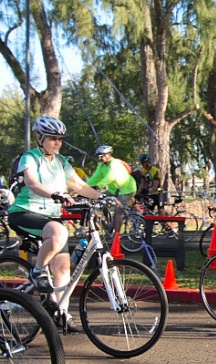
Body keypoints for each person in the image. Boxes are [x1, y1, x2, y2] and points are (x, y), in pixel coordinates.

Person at [8, 116, 104, 332]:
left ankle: (61, 313)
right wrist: (56, 194)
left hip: (49, 218)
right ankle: (38, 271)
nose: (57, 143)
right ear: (39, 137)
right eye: (52, 138)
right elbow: (32, 183)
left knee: (62, 266)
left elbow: (79, 185)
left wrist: (102, 198)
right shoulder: (29, 157)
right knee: (59, 232)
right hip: (24, 212)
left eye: (60, 139)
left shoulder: (61, 161)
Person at [85, 145, 136, 233]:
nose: (99, 158)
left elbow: (110, 177)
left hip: (127, 189)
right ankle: (109, 222)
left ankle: (117, 236)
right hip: (113, 190)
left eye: (101, 156)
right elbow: (95, 177)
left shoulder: (115, 163)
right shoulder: (101, 165)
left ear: (108, 155)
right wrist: (84, 186)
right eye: (98, 156)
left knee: (118, 211)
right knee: (98, 202)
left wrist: (98, 186)